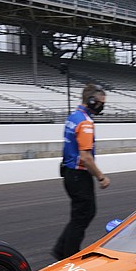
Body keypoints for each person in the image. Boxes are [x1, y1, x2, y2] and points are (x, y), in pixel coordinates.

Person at [52, 84, 110, 260]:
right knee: (84, 214)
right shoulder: (86, 123)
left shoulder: (73, 116)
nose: (102, 107)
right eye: (100, 103)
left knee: (79, 214)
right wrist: (101, 177)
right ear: (92, 101)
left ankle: (62, 249)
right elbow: (85, 157)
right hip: (79, 175)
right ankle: (69, 255)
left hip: (69, 173)